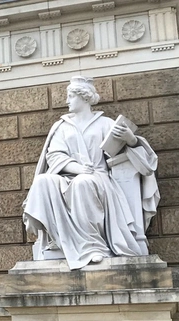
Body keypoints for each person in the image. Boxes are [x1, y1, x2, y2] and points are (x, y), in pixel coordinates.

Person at [23, 76, 160, 269]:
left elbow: (141, 159)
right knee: (43, 181)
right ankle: (58, 238)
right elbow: (54, 156)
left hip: (99, 178)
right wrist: (77, 168)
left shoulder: (105, 124)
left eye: (71, 96)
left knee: (83, 182)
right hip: (69, 176)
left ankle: (93, 246)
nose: (67, 101)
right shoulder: (61, 126)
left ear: (85, 97)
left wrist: (131, 139)